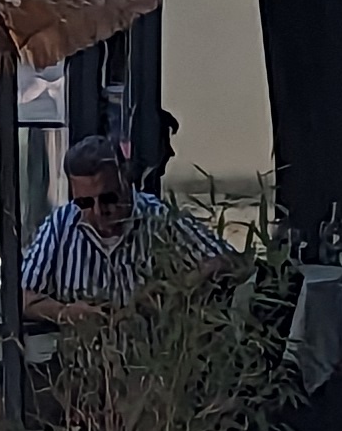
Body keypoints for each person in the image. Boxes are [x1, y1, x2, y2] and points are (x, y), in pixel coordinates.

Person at [19, 134, 230, 321]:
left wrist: (170, 291)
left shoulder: (159, 219)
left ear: (126, 180)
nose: (98, 211)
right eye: (85, 203)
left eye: (109, 198)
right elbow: (23, 296)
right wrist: (66, 313)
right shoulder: (61, 225)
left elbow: (226, 261)